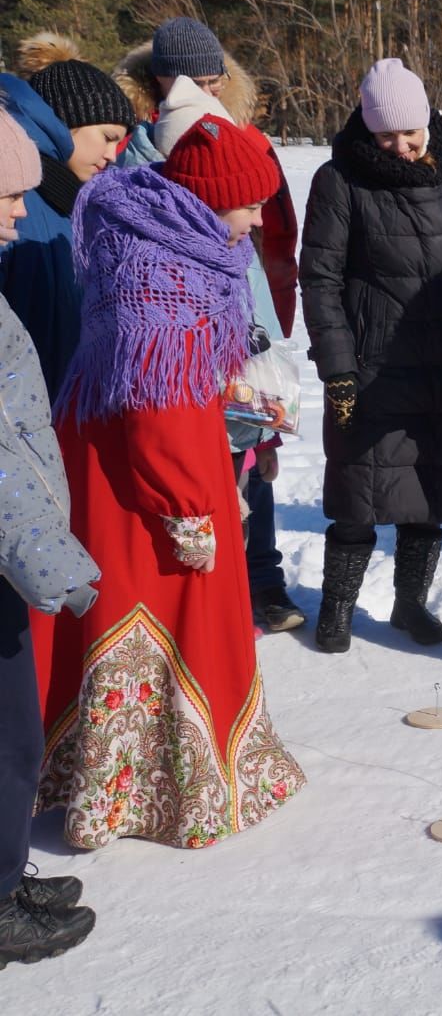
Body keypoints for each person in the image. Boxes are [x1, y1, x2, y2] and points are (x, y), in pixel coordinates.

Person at [32, 117, 305, 849]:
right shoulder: (165, 272)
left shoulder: (160, 237)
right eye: (248, 206)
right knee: (168, 622)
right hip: (147, 487)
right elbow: (161, 404)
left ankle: (108, 786)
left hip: (116, 464)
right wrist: (189, 508)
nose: (255, 222)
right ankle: (149, 794)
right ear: (211, 197)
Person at [114, 17, 303, 634]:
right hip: (179, 363)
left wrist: (267, 352)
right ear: (159, 81)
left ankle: (263, 583)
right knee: (195, 483)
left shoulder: (241, 142)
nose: (206, 92)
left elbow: (266, 247)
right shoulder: (136, 152)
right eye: (193, 81)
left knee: (251, 460)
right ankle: (201, 604)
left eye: (215, 80)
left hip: (243, 344)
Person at [300, 59, 442, 653]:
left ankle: (411, 605)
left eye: (410, 134)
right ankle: (337, 610)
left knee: (426, 496)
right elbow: (320, 279)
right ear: (367, 128)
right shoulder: (339, 180)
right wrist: (338, 367)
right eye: (387, 136)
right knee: (358, 496)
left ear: (428, 123)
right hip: (370, 366)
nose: (401, 147)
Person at [0, 106, 99, 967]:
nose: (17, 215)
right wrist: (50, 558)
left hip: (12, 551)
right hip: (9, 547)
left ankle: (3, 873)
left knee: (15, 730)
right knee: (5, 733)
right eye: (4, 197)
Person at [0, 34, 135, 398]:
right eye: (107, 136)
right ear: (68, 120)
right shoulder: (19, 195)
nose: (111, 154)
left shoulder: (68, 201)